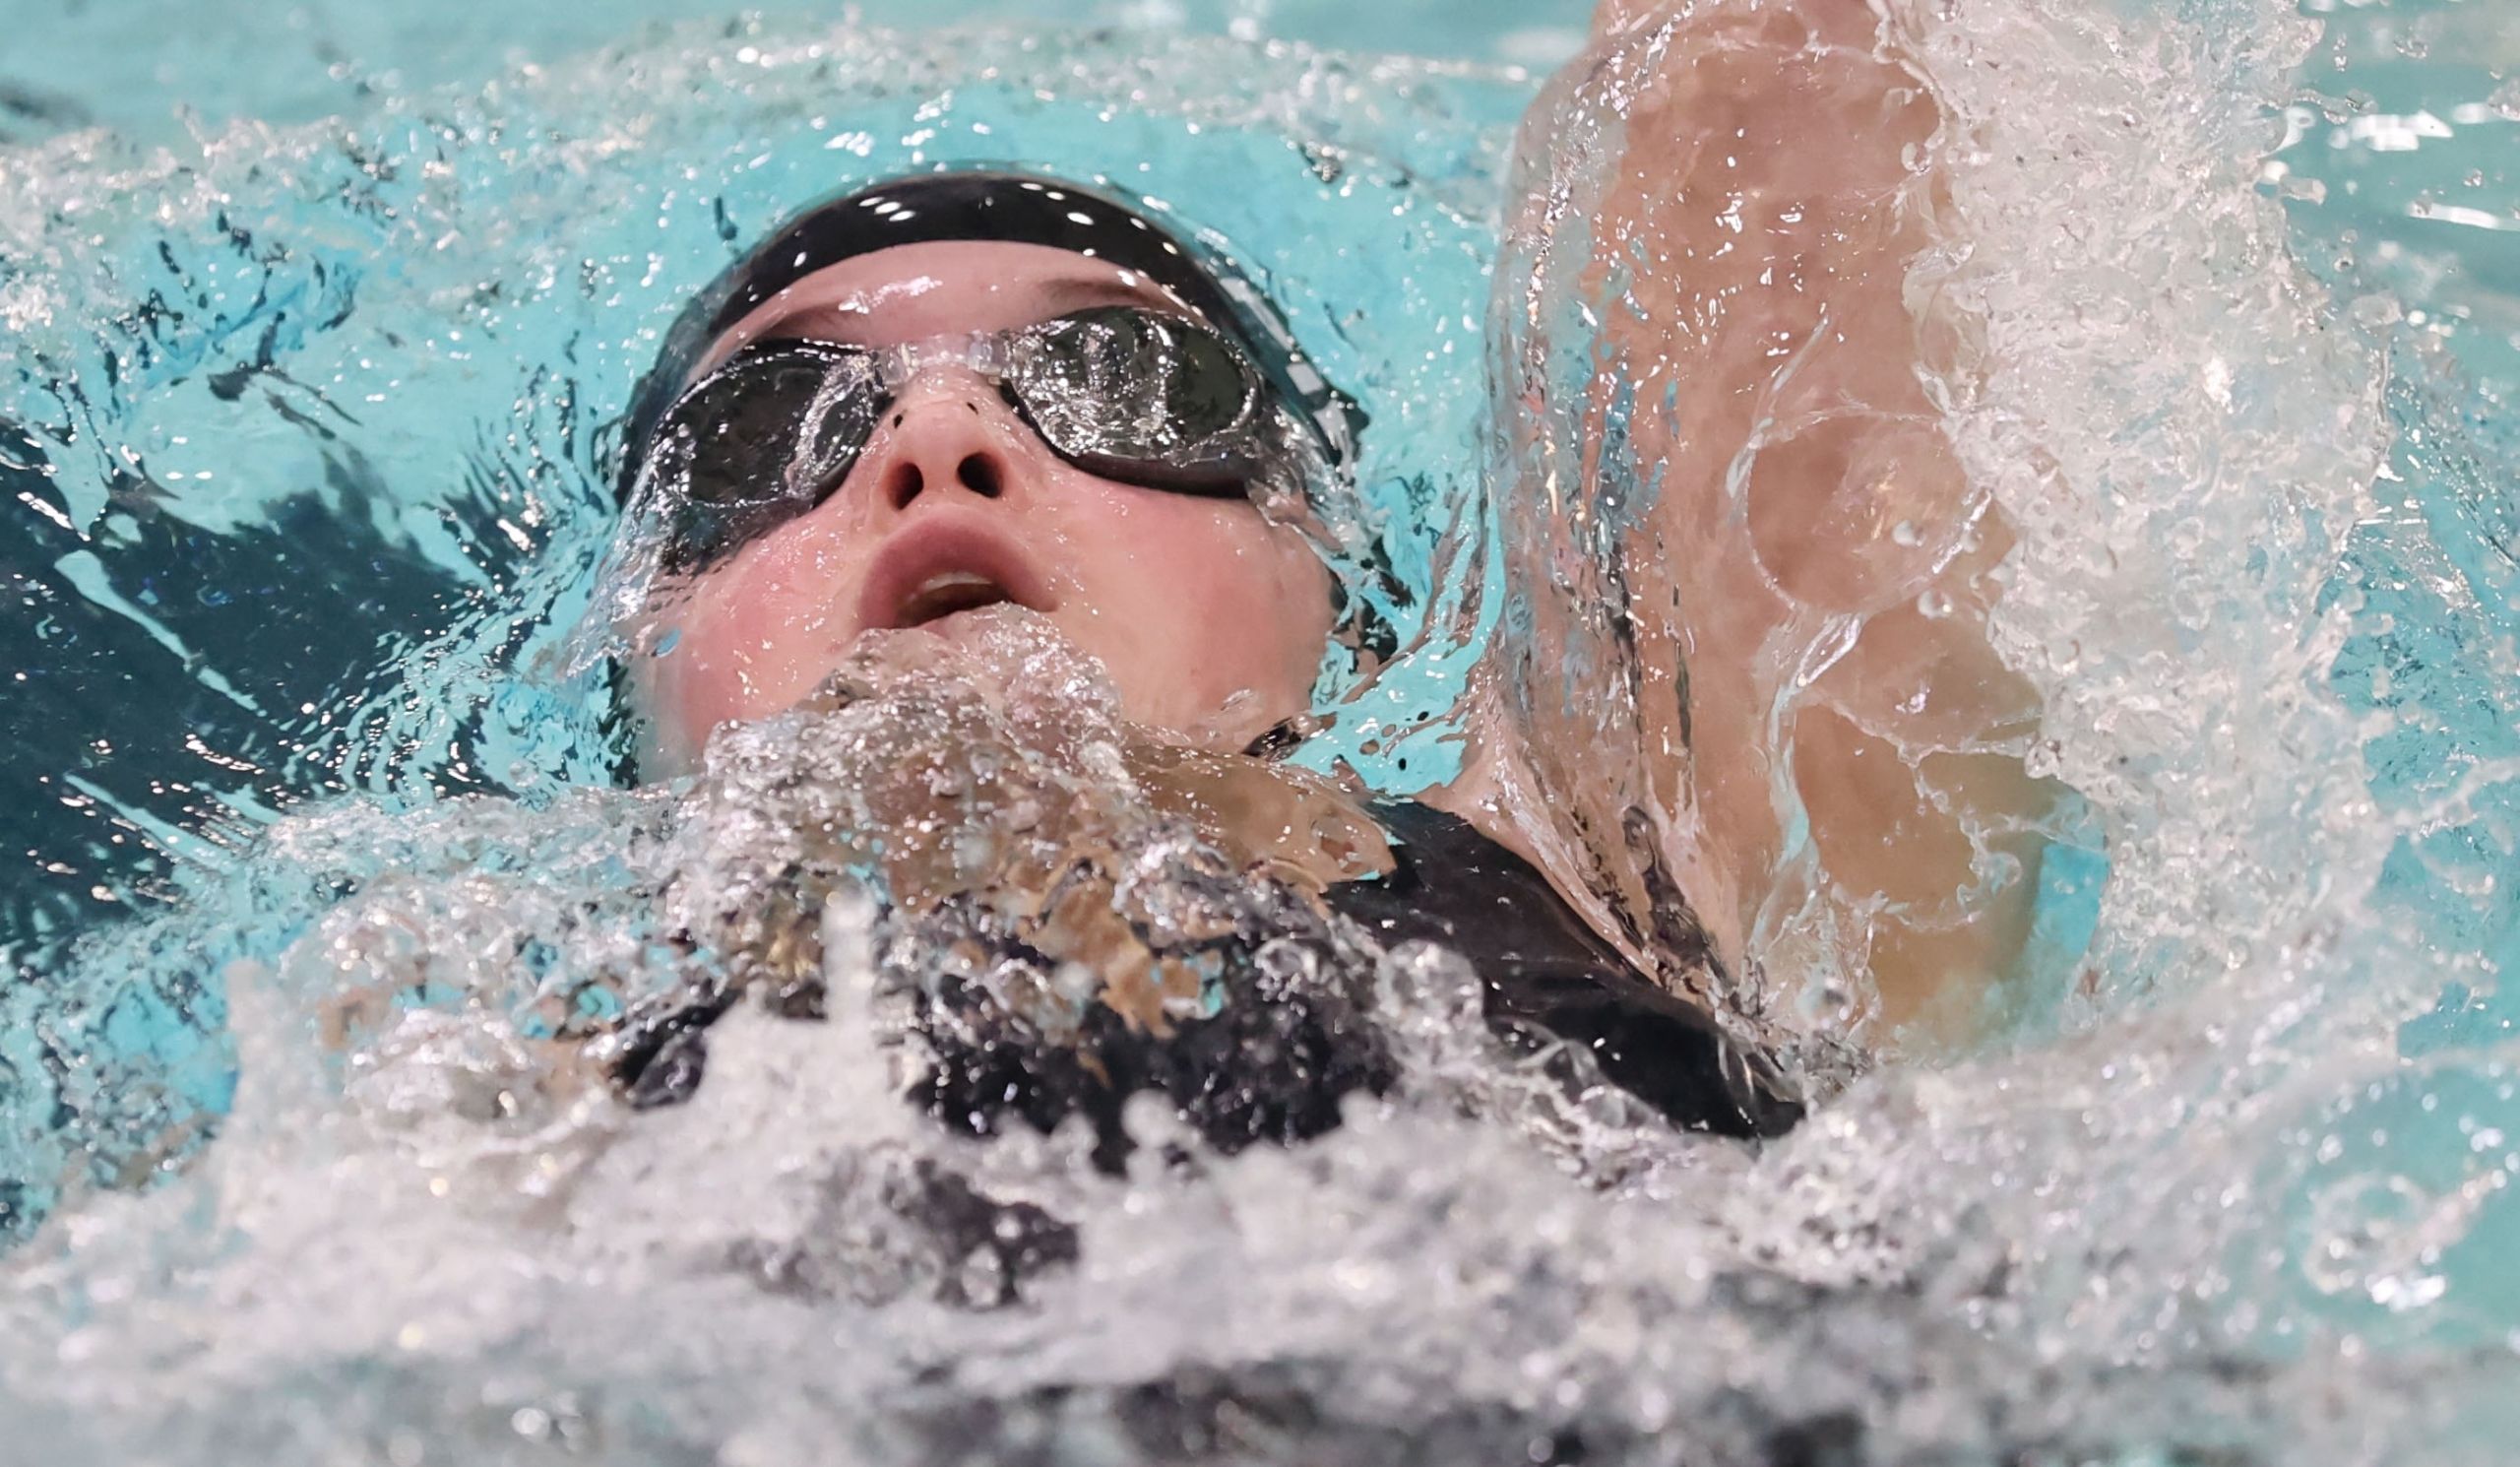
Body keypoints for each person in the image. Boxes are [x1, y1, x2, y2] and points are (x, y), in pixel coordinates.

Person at [601, 168, 1805, 1144]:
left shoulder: (1622, 873)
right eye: (756, 433)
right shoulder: (531, 1092)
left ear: (1335, 596)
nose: (939, 438)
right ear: (631, 665)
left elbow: (1788, 175)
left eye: (1130, 379)